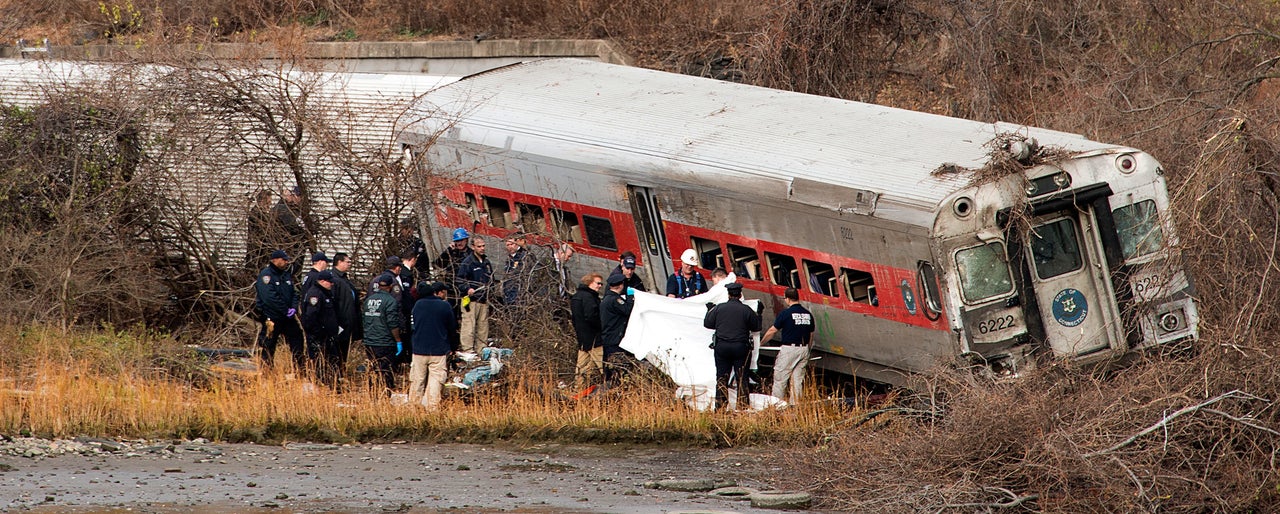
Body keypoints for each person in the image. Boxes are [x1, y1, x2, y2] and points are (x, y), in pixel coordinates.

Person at [703, 282, 761, 411]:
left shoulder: (719, 308)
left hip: (722, 347)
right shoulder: (746, 310)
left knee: (722, 377)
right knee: (742, 377)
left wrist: (709, 311)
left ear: (728, 294)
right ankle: (742, 406)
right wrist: (759, 314)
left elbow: (707, 324)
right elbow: (757, 327)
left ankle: (720, 407)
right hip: (741, 348)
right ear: (740, 295)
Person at [760, 287, 815, 405]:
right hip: (804, 349)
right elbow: (811, 335)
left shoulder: (785, 314)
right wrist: (807, 349)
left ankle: (776, 405)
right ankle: (795, 406)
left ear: (788, 299)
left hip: (789, 349)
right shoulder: (808, 314)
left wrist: (760, 343)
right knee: (797, 381)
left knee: (780, 378)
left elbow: (772, 331)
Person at [409, 282, 458, 411]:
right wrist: (453, 348)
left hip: (419, 350)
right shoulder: (444, 306)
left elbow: (412, 327)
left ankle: (414, 407)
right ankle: (432, 409)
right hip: (438, 350)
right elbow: (452, 329)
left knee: (417, 380)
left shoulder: (417, 305)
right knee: (436, 381)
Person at [253, 250, 305, 370]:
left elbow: (294, 293)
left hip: (287, 318)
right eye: (284, 259)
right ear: (275, 260)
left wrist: (293, 307)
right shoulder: (266, 275)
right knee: (268, 344)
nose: (286, 262)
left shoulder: (286, 275)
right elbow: (269, 298)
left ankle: (299, 369)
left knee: (297, 338)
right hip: (272, 317)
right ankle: (266, 371)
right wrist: (285, 309)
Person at [361, 275, 403, 395]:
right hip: (384, 341)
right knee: (385, 371)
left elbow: (364, 319)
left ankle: (372, 393)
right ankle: (384, 395)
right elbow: (392, 323)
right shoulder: (390, 301)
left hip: (370, 341)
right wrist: (398, 340)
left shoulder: (369, 300)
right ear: (391, 286)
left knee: (373, 369)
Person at [300, 269, 341, 385]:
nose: (332, 284)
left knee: (332, 360)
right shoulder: (315, 294)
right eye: (329, 282)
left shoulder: (326, 293)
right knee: (319, 362)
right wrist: (318, 332)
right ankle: (321, 383)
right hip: (319, 336)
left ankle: (332, 383)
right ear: (322, 281)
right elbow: (310, 317)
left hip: (328, 336)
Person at [456, 237, 495, 354]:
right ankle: (468, 350)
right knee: (469, 326)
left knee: (483, 327)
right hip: (470, 301)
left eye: (483, 246)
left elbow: (491, 280)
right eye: (479, 246)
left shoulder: (486, 262)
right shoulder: (467, 262)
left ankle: (481, 349)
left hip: (484, 299)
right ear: (473, 247)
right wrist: (467, 289)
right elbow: (459, 280)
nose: (482, 248)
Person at [329, 252, 362, 381]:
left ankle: (342, 374)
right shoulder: (333, 279)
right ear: (339, 262)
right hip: (340, 323)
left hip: (349, 322)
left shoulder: (345, 279)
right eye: (347, 262)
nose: (349, 264)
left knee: (344, 351)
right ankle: (336, 376)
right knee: (337, 352)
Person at [599, 273, 636, 384]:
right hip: (614, 339)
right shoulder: (614, 300)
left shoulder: (606, 298)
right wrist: (630, 297)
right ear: (620, 285)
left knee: (611, 367)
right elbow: (627, 309)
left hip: (608, 338)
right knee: (618, 367)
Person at [570, 273, 605, 389]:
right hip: (595, 339)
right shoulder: (590, 298)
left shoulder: (576, 297)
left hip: (582, 339)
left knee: (582, 369)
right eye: (598, 283)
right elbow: (591, 316)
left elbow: (574, 319)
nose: (600, 286)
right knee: (604, 366)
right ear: (589, 283)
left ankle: (579, 390)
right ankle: (612, 387)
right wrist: (602, 328)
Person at [271, 186, 309, 272]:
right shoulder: (283, 209)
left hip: (294, 247)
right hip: (288, 246)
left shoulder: (296, 209)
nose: (299, 199)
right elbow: (292, 227)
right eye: (298, 196)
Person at [245, 190, 275, 271]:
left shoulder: (263, 214)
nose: (269, 206)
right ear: (261, 201)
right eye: (267, 203)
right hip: (256, 254)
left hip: (261, 254)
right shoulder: (256, 214)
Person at [501, 231, 533, 306]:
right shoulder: (509, 259)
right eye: (507, 245)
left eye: (511, 244)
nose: (510, 247)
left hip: (519, 297)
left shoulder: (524, 256)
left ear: (516, 243)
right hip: (509, 297)